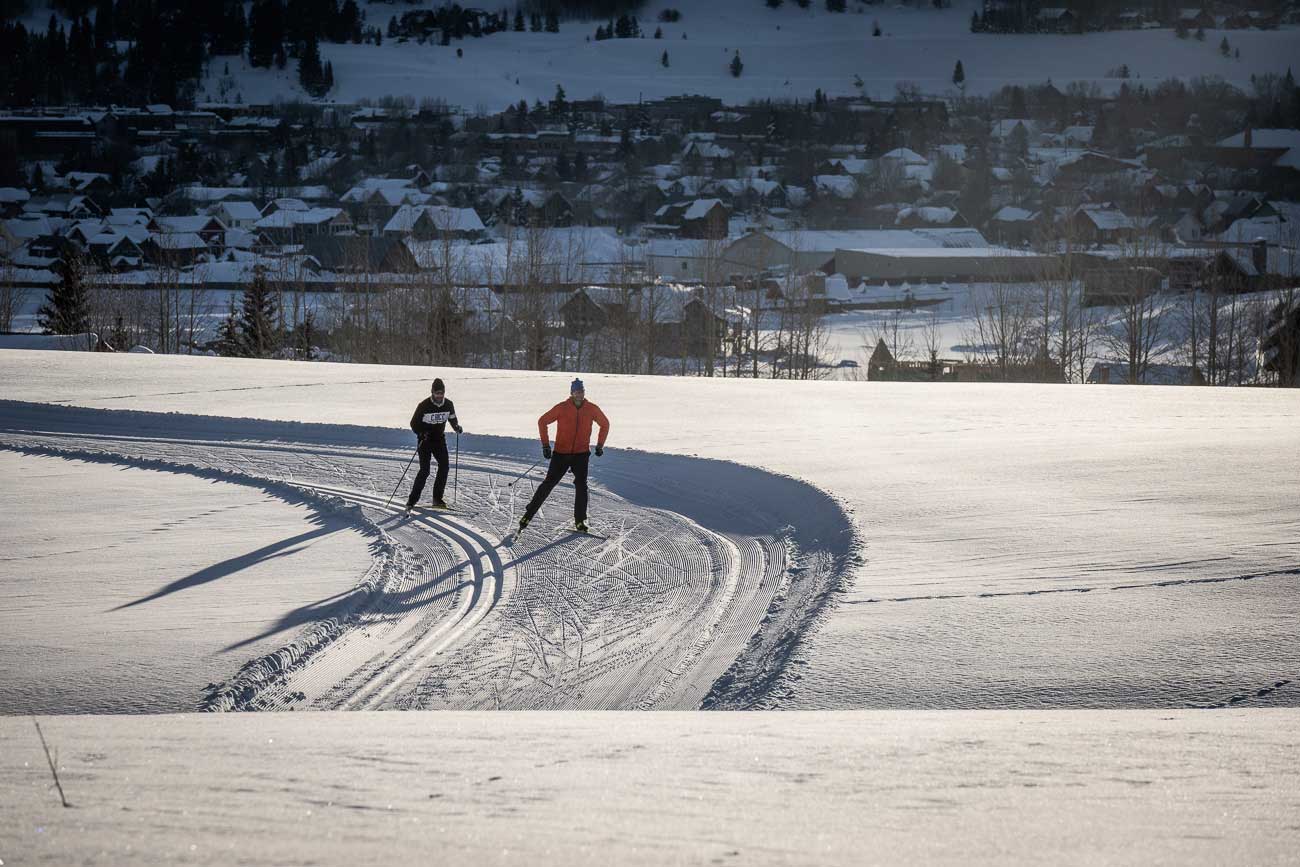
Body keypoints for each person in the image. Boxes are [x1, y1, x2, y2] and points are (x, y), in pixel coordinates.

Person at [518, 378, 610, 534]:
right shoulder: (562, 408)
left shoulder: (591, 409)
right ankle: (528, 515)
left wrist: (600, 445)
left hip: (581, 454)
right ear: (571, 393)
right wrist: (546, 445)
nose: (579, 395)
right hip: (561, 454)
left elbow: (605, 424)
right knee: (548, 484)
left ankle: (580, 521)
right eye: (576, 392)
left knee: (581, 486)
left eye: (581, 392)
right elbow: (542, 421)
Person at [406, 378, 463, 512]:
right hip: (425, 441)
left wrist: (456, 427)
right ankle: (412, 501)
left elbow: (452, 418)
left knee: (444, 466)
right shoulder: (423, 405)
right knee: (425, 471)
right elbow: (413, 423)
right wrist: (421, 433)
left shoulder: (448, 404)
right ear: (432, 392)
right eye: (437, 393)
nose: (439, 396)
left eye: (441, 393)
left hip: (439, 440)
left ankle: (437, 499)